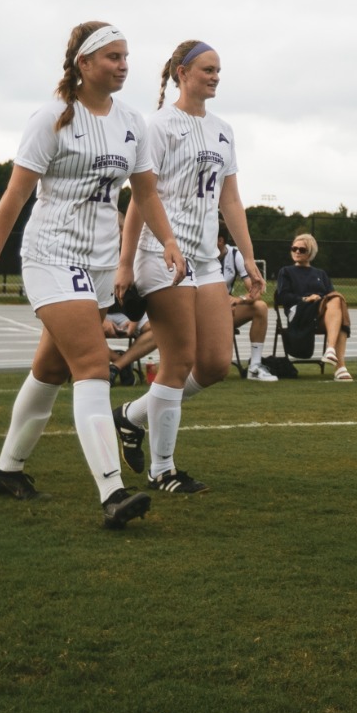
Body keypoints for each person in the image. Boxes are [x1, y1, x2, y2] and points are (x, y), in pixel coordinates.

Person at [0, 21, 182, 529]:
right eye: (112, 57)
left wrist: (168, 239)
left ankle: (7, 469)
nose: (123, 64)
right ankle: (113, 492)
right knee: (90, 363)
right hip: (50, 253)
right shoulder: (51, 119)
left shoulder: (133, 122)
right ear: (83, 64)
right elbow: (15, 195)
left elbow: (145, 192)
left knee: (52, 368)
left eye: (126, 56)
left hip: (99, 260)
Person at [112, 40, 267, 493]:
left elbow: (231, 199)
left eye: (219, 70)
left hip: (205, 258)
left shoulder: (223, 129)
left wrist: (250, 259)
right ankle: (164, 470)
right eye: (207, 69)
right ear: (181, 73)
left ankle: (132, 416)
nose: (215, 76)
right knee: (177, 361)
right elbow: (142, 196)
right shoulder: (158, 126)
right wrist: (126, 264)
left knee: (216, 363)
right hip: (162, 254)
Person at [273, 234, 354, 379]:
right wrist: (305, 299)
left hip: (319, 315)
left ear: (310, 252)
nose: (297, 252)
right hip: (299, 313)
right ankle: (337, 361)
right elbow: (283, 297)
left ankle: (336, 362)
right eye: (294, 248)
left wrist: (320, 299)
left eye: (302, 250)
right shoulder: (286, 271)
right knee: (338, 302)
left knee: (337, 303)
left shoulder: (320, 273)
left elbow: (331, 296)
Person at [220, 230, 271, 376]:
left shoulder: (235, 255)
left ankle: (254, 366)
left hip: (226, 312)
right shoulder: (196, 252)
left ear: (220, 240)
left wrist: (239, 299)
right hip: (199, 310)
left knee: (260, 307)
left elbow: (255, 292)